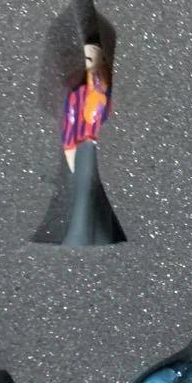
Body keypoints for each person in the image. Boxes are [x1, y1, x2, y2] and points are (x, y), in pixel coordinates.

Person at [61, 35, 125, 246]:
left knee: (101, 195)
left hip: (102, 147)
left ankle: (101, 236)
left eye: (96, 59)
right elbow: (71, 121)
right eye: (88, 60)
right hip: (86, 146)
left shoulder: (107, 93)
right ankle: (81, 236)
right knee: (86, 192)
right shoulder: (79, 95)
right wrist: (70, 147)